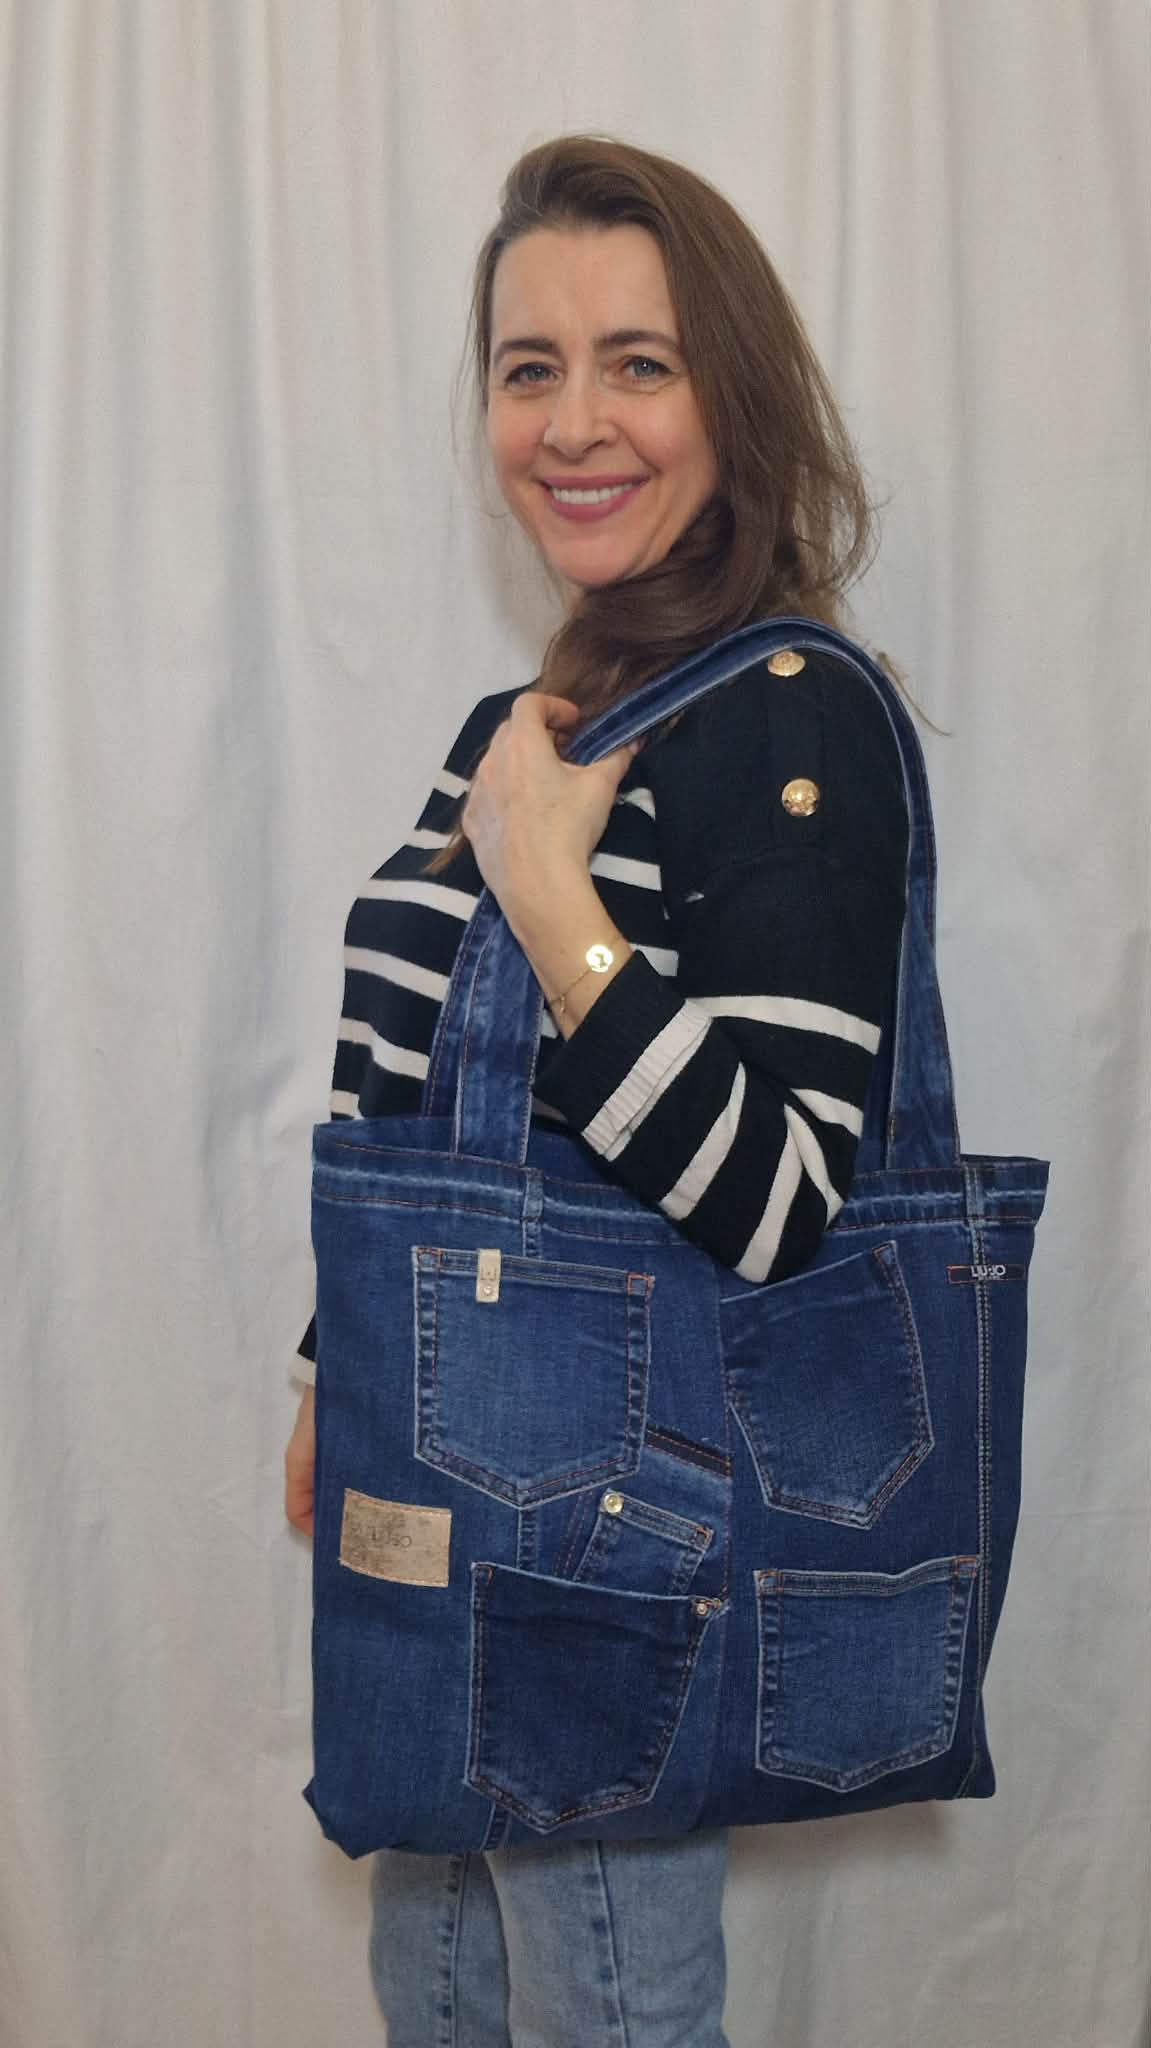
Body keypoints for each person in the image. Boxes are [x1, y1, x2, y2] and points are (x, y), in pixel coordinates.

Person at [285, 135, 909, 2048]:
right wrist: (331, 1371)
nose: (572, 423)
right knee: (440, 1993)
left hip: (619, 1518)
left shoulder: (788, 715)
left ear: (734, 391)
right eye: (527, 366)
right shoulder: (533, 719)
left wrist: (558, 909)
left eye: (638, 362)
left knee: (604, 2011)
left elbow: (785, 1203)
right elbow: (412, 1075)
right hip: (438, 1465)